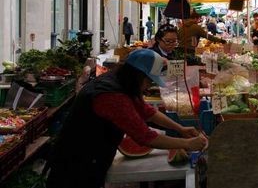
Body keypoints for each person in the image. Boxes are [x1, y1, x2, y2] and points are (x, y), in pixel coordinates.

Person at [45, 49, 207, 188]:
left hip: (90, 157)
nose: (149, 85)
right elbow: (145, 137)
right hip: (76, 163)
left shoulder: (120, 81)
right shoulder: (111, 95)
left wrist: (180, 128)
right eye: (149, 80)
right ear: (138, 75)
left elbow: (147, 111)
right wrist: (187, 143)